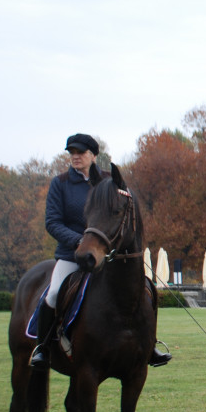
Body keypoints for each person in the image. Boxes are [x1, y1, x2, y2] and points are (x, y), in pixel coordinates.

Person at [30, 133, 172, 369]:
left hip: (109, 255)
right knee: (54, 293)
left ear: (93, 155)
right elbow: (52, 222)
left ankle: (150, 345)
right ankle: (42, 348)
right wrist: (80, 241)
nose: (75, 157)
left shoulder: (110, 181)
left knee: (146, 289)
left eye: (81, 153)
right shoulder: (61, 183)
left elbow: (125, 212)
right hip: (73, 254)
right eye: (72, 153)